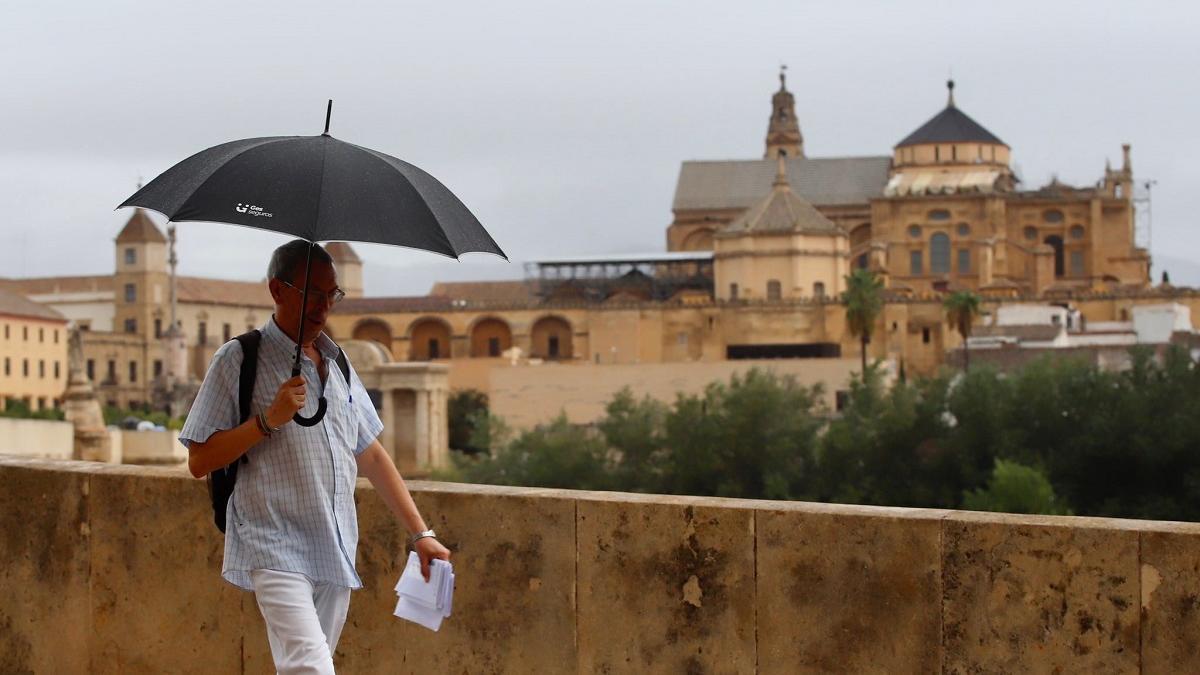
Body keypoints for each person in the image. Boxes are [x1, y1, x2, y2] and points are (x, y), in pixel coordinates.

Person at [180, 240, 450, 674]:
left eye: (331, 295)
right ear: (278, 290)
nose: (323, 307)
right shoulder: (237, 359)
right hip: (273, 543)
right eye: (312, 294)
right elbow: (199, 460)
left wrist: (421, 534)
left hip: (334, 544)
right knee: (311, 667)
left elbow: (372, 454)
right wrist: (269, 419)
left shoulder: (338, 361)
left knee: (302, 667)